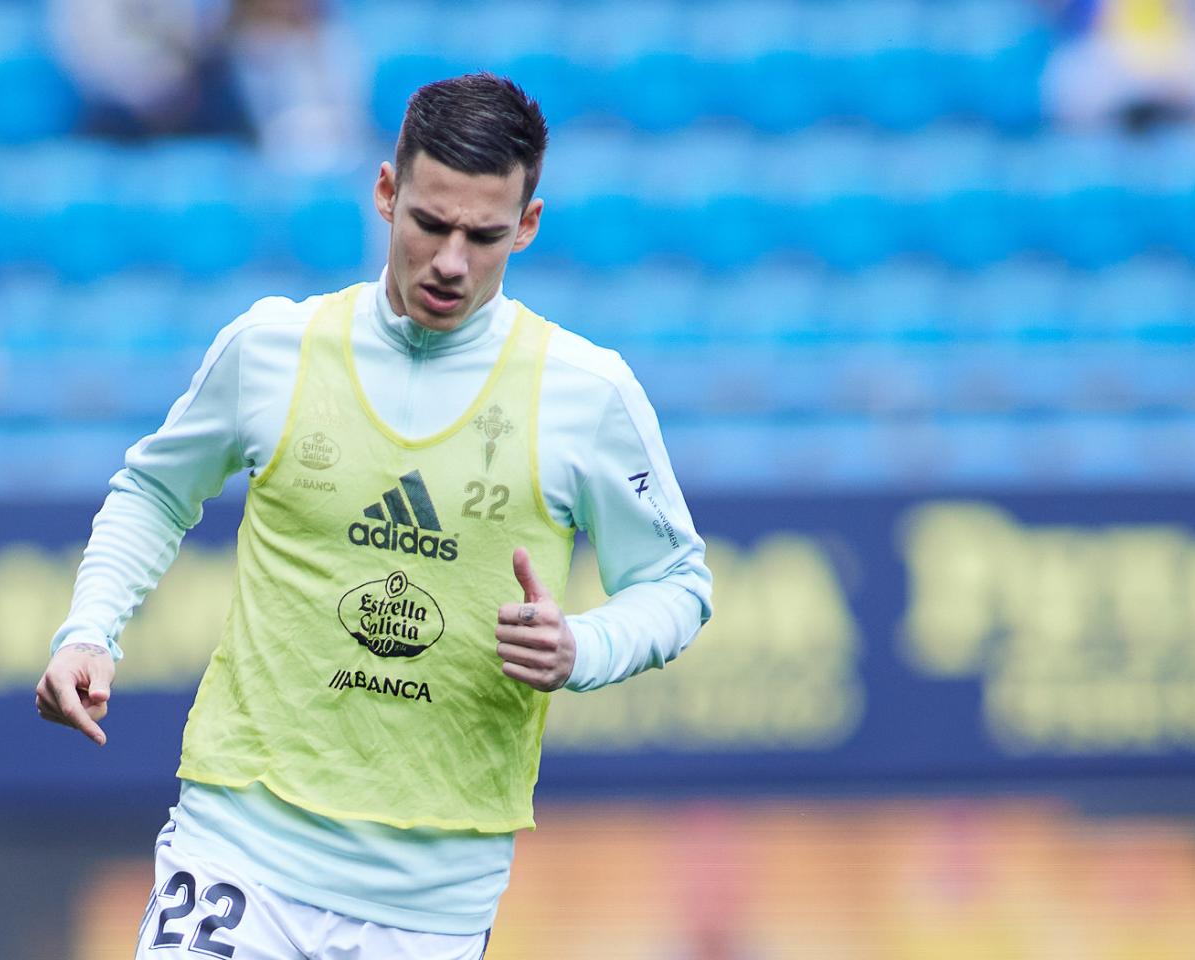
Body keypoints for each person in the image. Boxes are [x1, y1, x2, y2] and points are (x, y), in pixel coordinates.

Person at [36, 73, 713, 959]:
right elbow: (156, 488)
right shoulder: (274, 348)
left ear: (530, 225)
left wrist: (585, 648)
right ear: (386, 193)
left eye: (485, 236)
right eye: (431, 224)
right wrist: (92, 628)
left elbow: (676, 582)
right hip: (242, 847)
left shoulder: (586, 393)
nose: (451, 262)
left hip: (429, 900)